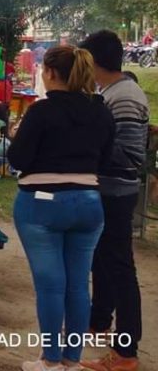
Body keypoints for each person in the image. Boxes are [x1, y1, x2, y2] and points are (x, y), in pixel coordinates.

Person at [6, 45, 115, 371]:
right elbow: (106, 159)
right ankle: (72, 359)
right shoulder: (101, 110)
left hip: (42, 203)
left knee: (52, 285)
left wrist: (15, 135)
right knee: (79, 285)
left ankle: (50, 360)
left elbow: (18, 159)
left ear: (51, 72)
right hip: (89, 202)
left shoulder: (42, 110)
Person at [79, 30, 148, 371]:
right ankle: (99, 320)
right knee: (102, 259)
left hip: (117, 192)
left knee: (120, 267)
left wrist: (90, 148)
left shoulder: (124, 96)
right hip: (106, 189)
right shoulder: (111, 92)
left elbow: (130, 154)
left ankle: (126, 351)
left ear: (93, 61)